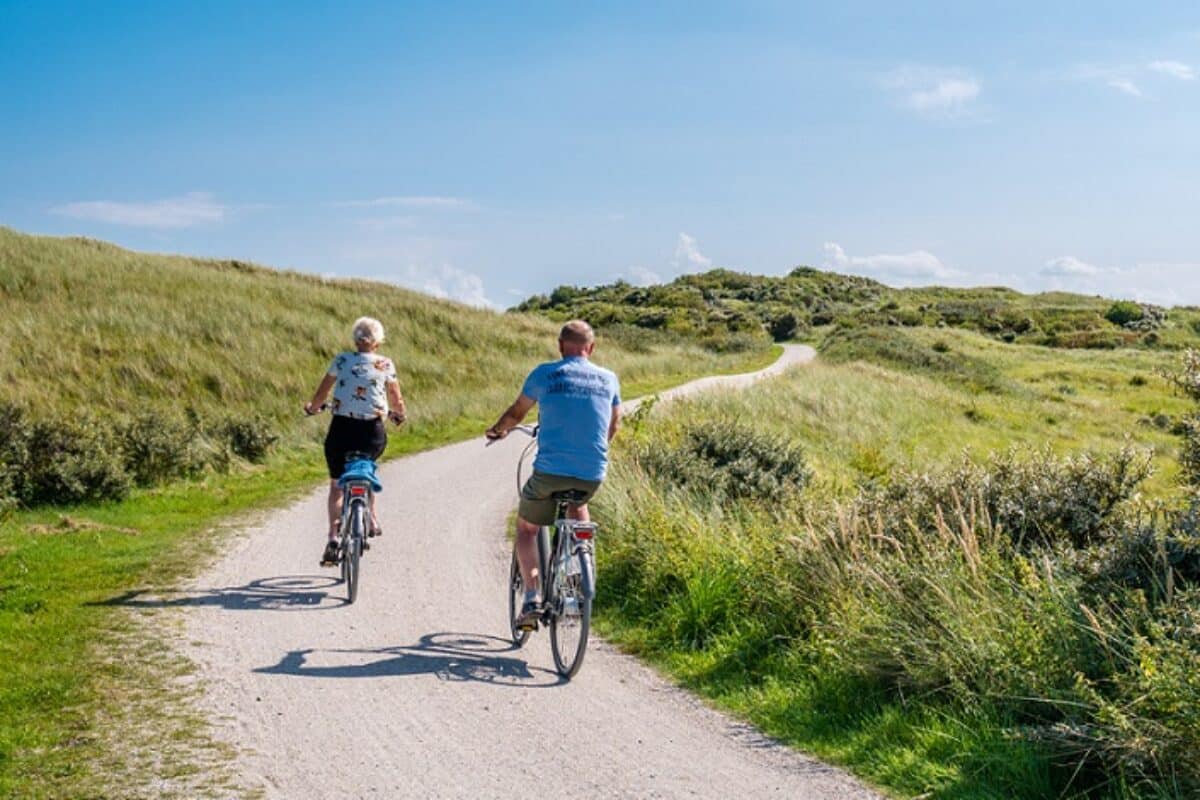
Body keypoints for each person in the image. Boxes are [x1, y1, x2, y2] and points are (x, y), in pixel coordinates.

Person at [485, 320, 621, 629]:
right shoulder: (609, 378)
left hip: (549, 473)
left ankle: (532, 596)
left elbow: (517, 413)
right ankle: (580, 554)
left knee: (527, 528)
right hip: (592, 474)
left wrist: (498, 430)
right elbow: (613, 425)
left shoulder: (545, 373)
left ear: (560, 347)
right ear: (592, 348)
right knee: (578, 502)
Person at [305, 317, 406, 565]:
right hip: (372, 432)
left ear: (355, 339)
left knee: (337, 485)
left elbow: (322, 392)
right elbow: (395, 396)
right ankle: (371, 516)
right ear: (378, 341)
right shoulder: (385, 363)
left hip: (342, 429)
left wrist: (313, 407)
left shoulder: (341, 360)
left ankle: (333, 537)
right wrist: (398, 413)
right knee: (366, 469)